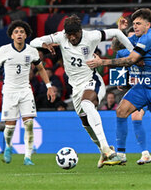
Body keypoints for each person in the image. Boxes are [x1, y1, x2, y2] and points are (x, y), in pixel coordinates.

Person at [87, 8, 151, 165]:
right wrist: (119, 31)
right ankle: (121, 154)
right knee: (121, 111)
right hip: (142, 86)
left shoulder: (150, 37)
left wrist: (103, 62)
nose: (135, 26)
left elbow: (130, 60)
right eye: (133, 23)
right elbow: (117, 49)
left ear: (148, 25)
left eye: (139, 23)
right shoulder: (136, 37)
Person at [30, 14, 134, 168]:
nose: (72, 38)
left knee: (87, 103)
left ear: (80, 31)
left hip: (92, 80)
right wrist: (44, 45)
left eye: (75, 34)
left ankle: (108, 150)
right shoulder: (60, 37)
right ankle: (102, 151)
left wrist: (134, 54)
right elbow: (33, 42)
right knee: (85, 123)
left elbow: (117, 33)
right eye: (69, 35)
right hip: (76, 87)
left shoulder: (91, 36)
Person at [0, 20, 56, 165]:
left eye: (22, 32)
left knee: (29, 124)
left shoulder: (31, 51)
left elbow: (41, 68)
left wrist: (49, 86)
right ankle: (7, 147)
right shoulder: (4, 50)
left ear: (26, 35)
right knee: (10, 127)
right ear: (12, 36)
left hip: (25, 91)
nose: (19, 34)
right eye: (16, 32)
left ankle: (28, 157)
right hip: (10, 91)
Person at [111, 27, 151, 165]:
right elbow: (119, 80)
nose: (132, 42)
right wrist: (120, 81)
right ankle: (141, 154)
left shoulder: (145, 52)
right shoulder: (122, 53)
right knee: (132, 115)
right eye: (128, 39)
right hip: (137, 91)